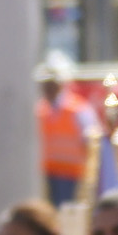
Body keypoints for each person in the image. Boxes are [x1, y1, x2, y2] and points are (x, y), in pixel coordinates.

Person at [40, 64, 97, 207]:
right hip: (50, 171)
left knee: (67, 210)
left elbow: (90, 139)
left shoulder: (77, 108)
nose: (47, 89)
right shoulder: (43, 109)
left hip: (72, 172)